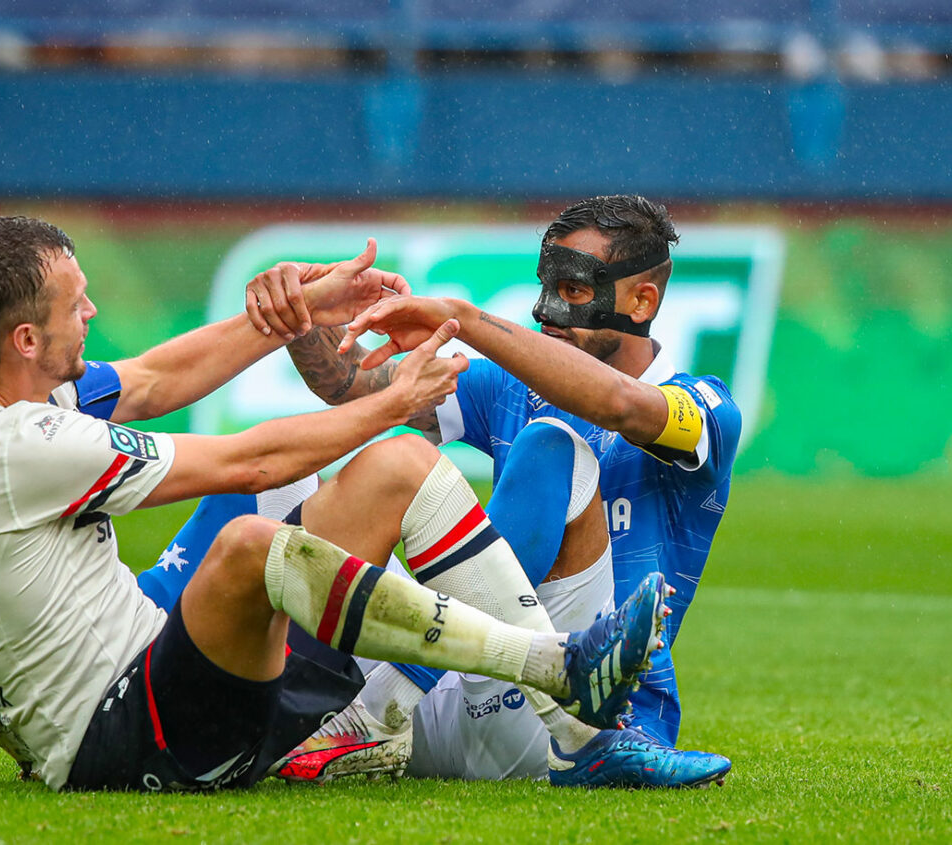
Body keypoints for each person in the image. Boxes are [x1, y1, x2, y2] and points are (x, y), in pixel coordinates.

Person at [0, 214, 670, 793]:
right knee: (249, 542)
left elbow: (148, 381)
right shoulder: (28, 447)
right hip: (124, 735)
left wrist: (297, 309)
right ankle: (554, 664)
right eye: (76, 306)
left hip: (168, 669)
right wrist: (395, 398)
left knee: (399, 465)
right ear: (22, 338)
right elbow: (255, 457)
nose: (93, 312)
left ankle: (570, 733)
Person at [240, 195, 739, 785]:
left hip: (580, 719)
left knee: (553, 447)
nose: (546, 309)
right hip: (458, 692)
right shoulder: (509, 385)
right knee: (271, 480)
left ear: (641, 300)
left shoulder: (705, 409)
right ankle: (209, 695)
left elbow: (620, 404)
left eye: (574, 290)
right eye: (545, 285)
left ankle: (380, 707)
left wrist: (467, 322)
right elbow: (353, 387)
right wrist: (303, 316)